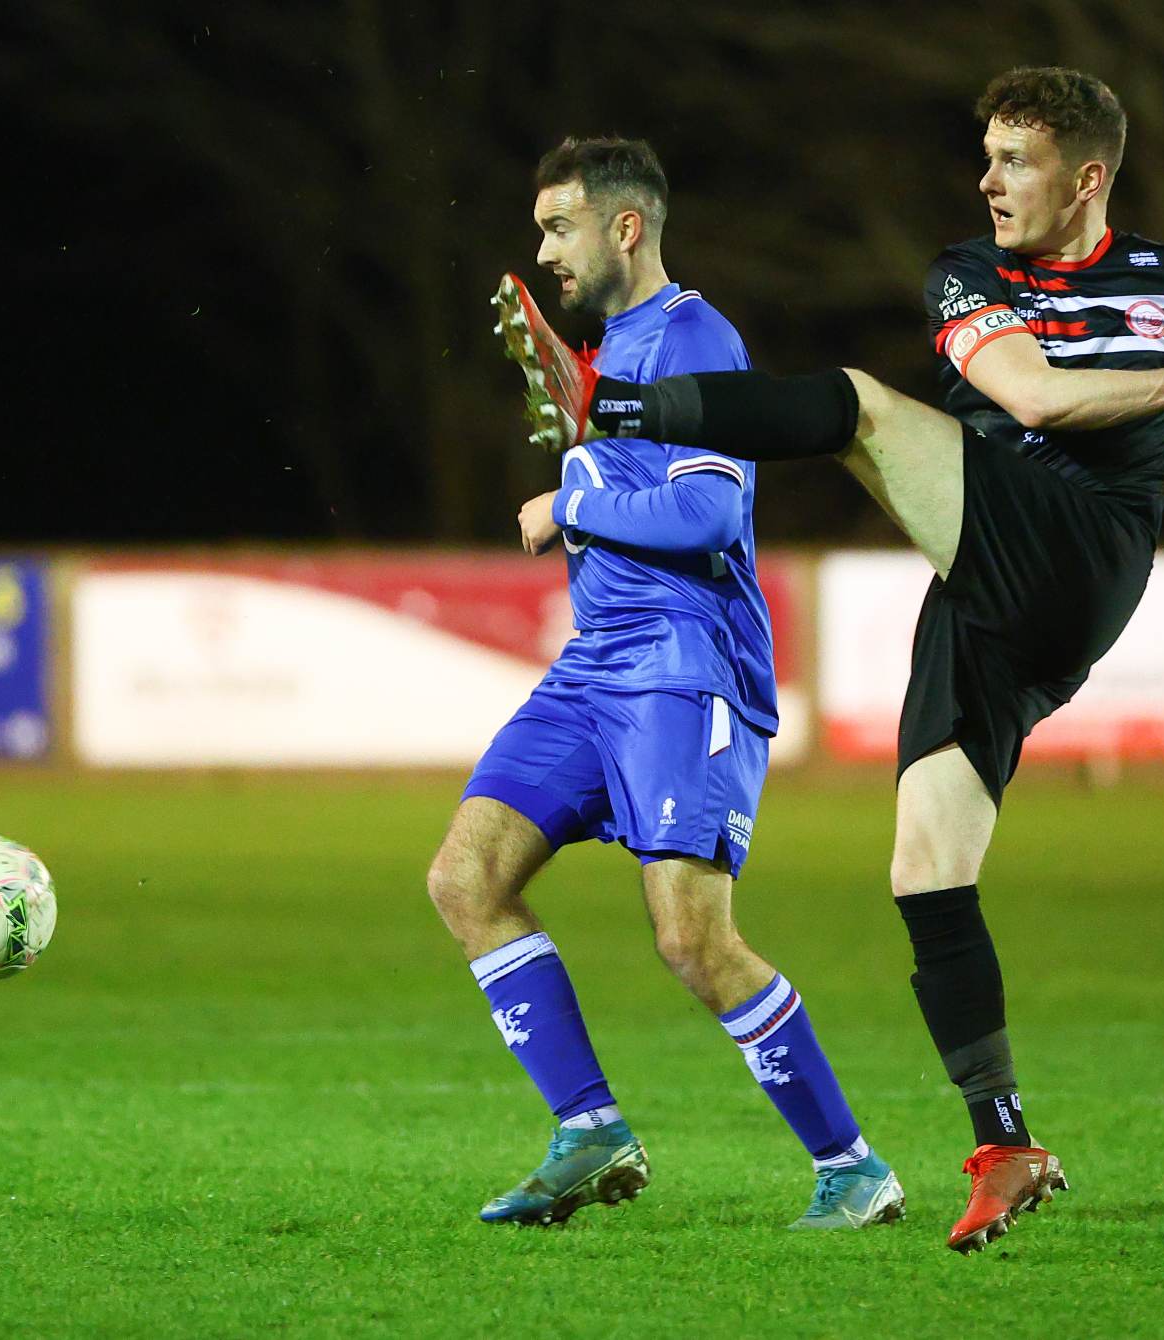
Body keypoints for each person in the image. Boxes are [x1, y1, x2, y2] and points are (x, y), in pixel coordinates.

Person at [491, 71, 1164, 1252]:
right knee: (924, 868)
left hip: (1081, 549)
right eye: (983, 156)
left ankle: (615, 413)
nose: (984, 180)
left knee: (863, 407)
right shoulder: (966, 277)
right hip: (983, 587)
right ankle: (1004, 1140)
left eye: (1012, 160)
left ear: (1085, 176)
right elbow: (1030, 394)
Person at [429, 135, 901, 1231]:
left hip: (683, 667)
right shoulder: (612, 354)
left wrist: (570, 503)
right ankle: (588, 1128)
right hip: (596, 668)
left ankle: (852, 1166)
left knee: (691, 939)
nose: (543, 249)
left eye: (559, 226)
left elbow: (708, 515)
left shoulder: (692, 335)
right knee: (465, 875)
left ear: (623, 227)